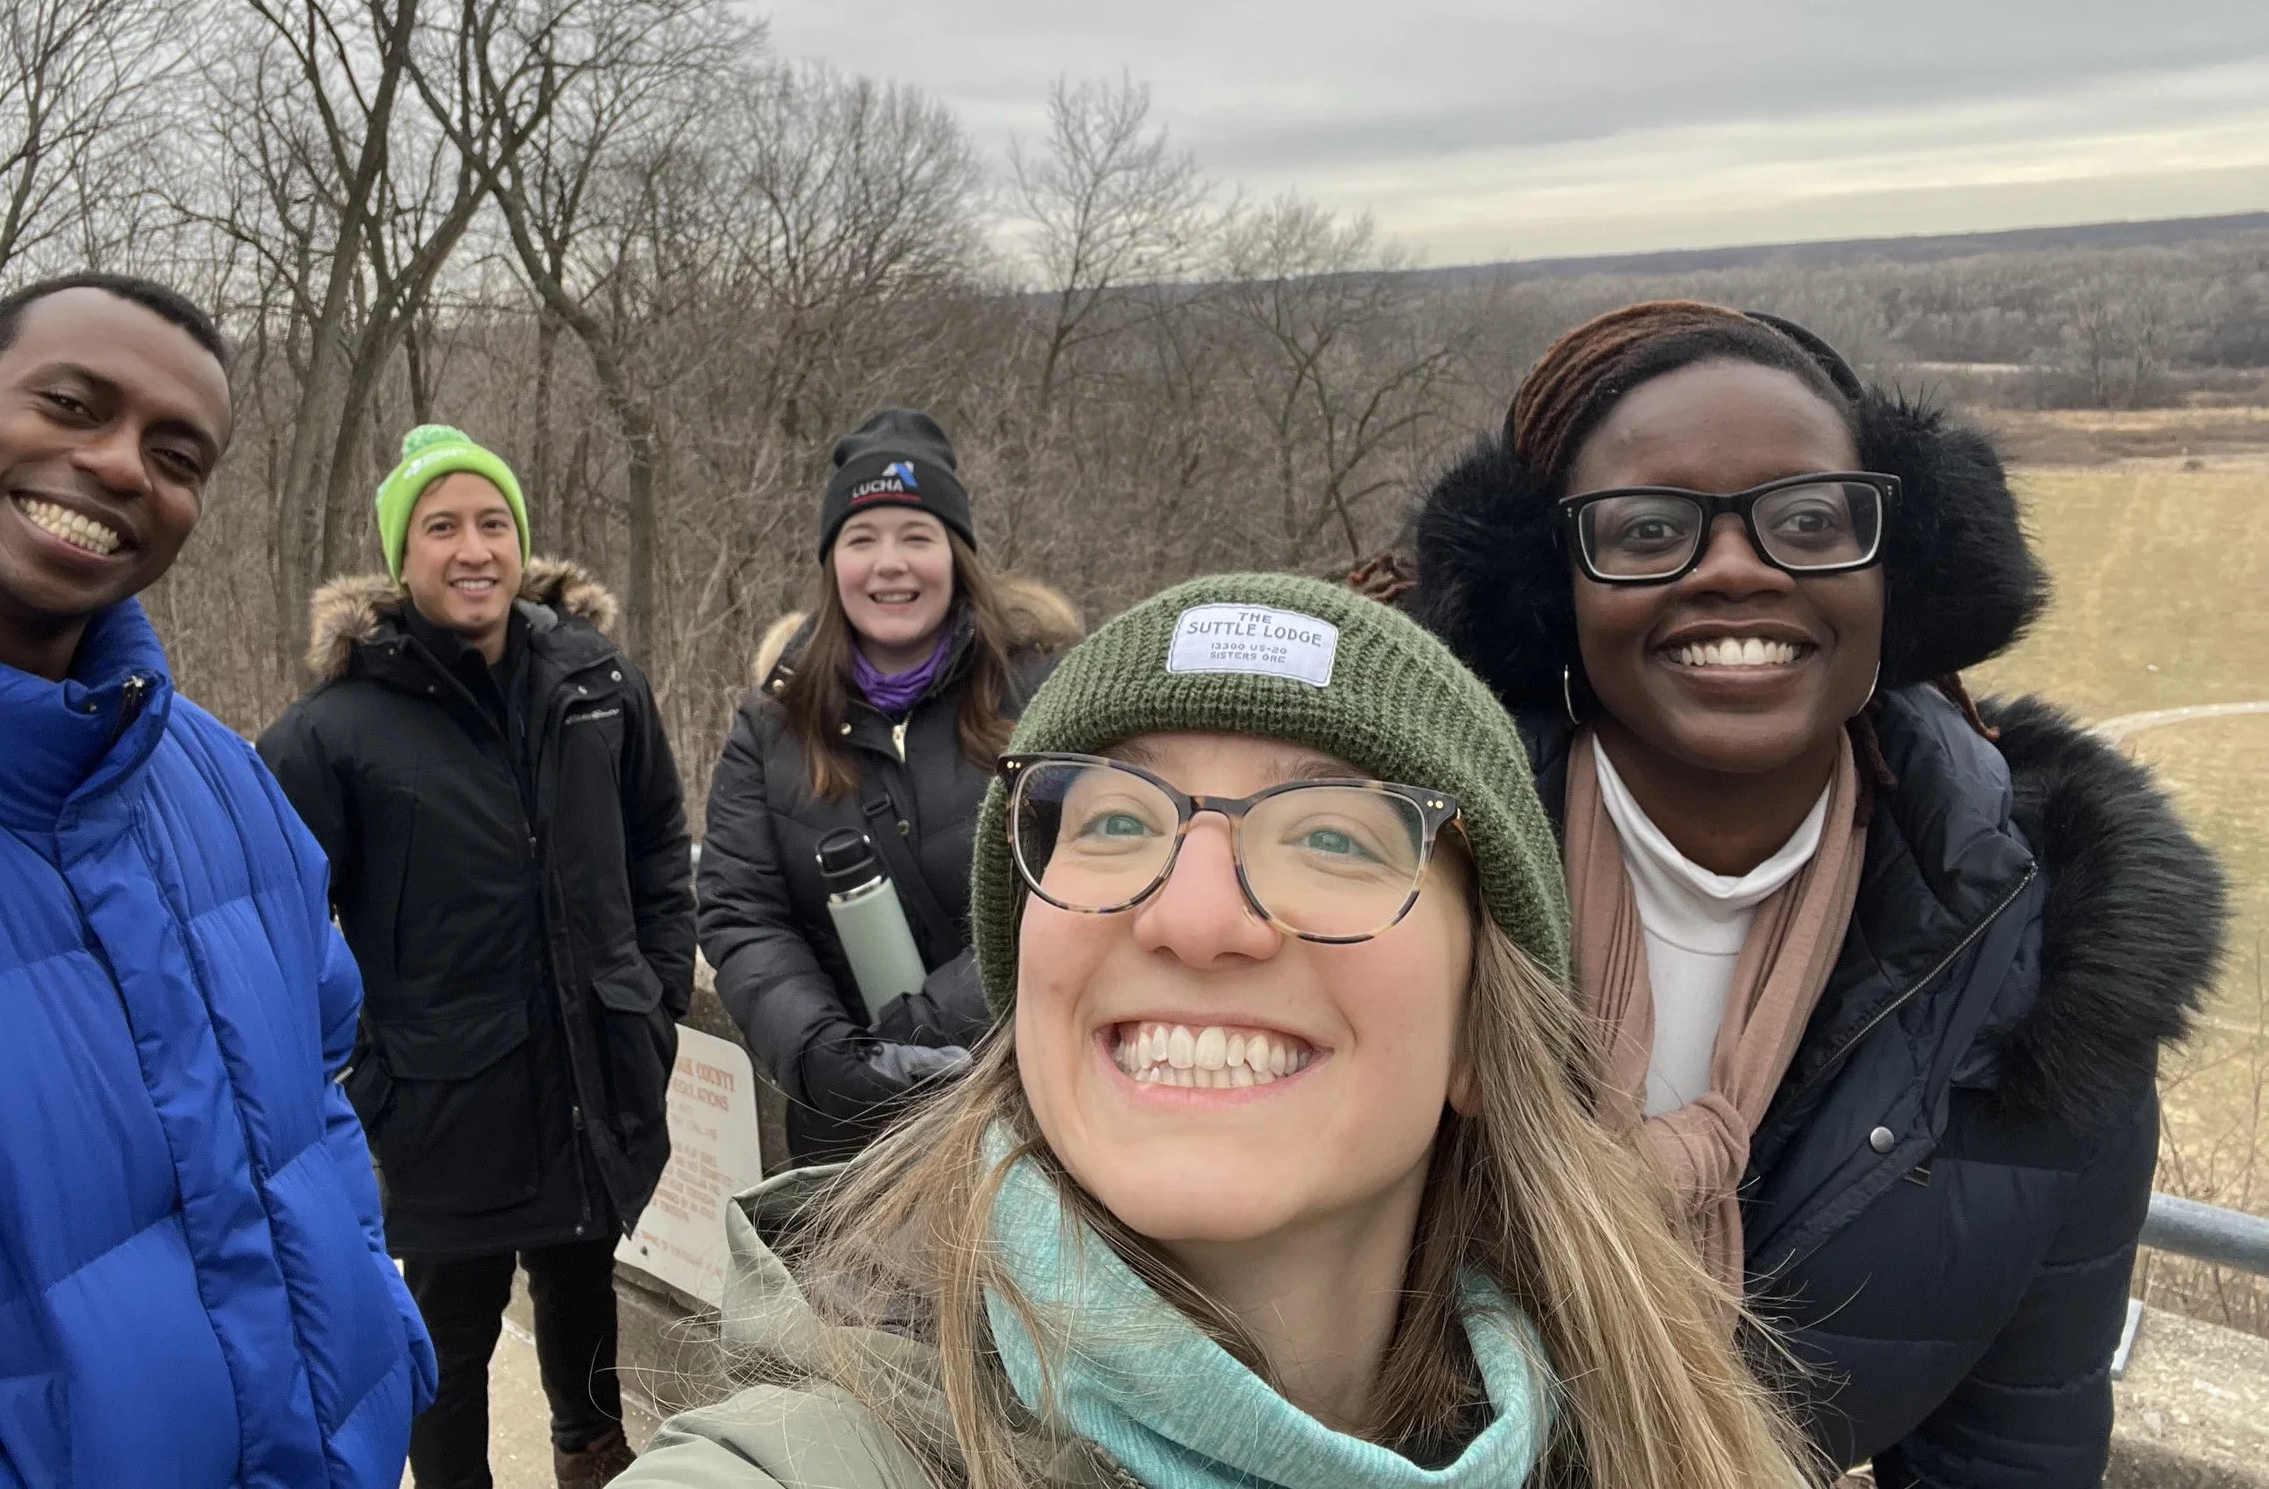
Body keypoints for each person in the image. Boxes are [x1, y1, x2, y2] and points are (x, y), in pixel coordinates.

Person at [628, 574, 1815, 1487]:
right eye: (1112, 821)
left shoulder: (1659, 1439)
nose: (1194, 919)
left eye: (1336, 837)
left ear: (1476, 1031)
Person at [1408, 300, 2227, 1483]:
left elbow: (2011, 1449)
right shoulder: (1404, 874)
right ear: (1550, 592)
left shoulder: (2051, 962)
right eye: (1645, 530)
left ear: (1900, 572)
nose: (1736, 571)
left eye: (1807, 521)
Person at [0, 273, 434, 1487]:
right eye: (72, 404)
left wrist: (376, 1355)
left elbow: (318, 1095)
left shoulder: (225, 784)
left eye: (177, 455)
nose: (124, 466)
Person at [260, 424, 695, 1489]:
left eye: (492, 523)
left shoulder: (596, 685)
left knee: (583, 1302)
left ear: (520, 541)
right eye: (442, 526)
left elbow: (655, 844)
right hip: (446, 1100)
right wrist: (367, 1065)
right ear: (402, 560)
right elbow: (271, 922)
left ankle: (591, 1464)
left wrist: (649, 999)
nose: (472, 549)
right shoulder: (335, 730)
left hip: (595, 1070)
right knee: (449, 1349)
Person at [698, 407, 1080, 1162]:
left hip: (1028, 1110)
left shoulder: (1047, 694)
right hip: (850, 1134)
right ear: (831, 563)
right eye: (861, 538)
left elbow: (1081, 878)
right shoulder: (770, 725)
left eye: (917, 536)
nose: (889, 564)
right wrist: (825, 1057)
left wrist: (920, 1029)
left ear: (957, 552)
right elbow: (742, 911)